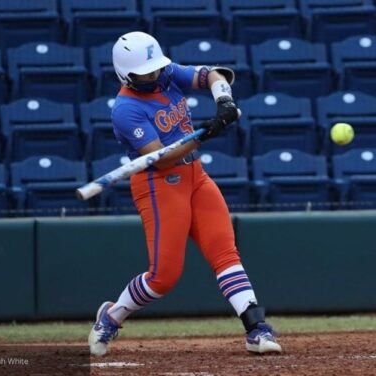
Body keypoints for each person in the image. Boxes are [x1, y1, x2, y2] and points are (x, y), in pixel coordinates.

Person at [88, 32, 282, 356]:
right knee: (163, 277)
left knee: (225, 251)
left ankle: (255, 328)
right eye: (144, 72)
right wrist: (208, 130)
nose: (152, 75)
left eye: (154, 68)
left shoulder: (165, 74)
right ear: (126, 74)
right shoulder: (125, 109)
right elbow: (163, 156)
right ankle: (111, 315)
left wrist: (224, 101)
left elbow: (213, 75)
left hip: (196, 176)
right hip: (158, 185)